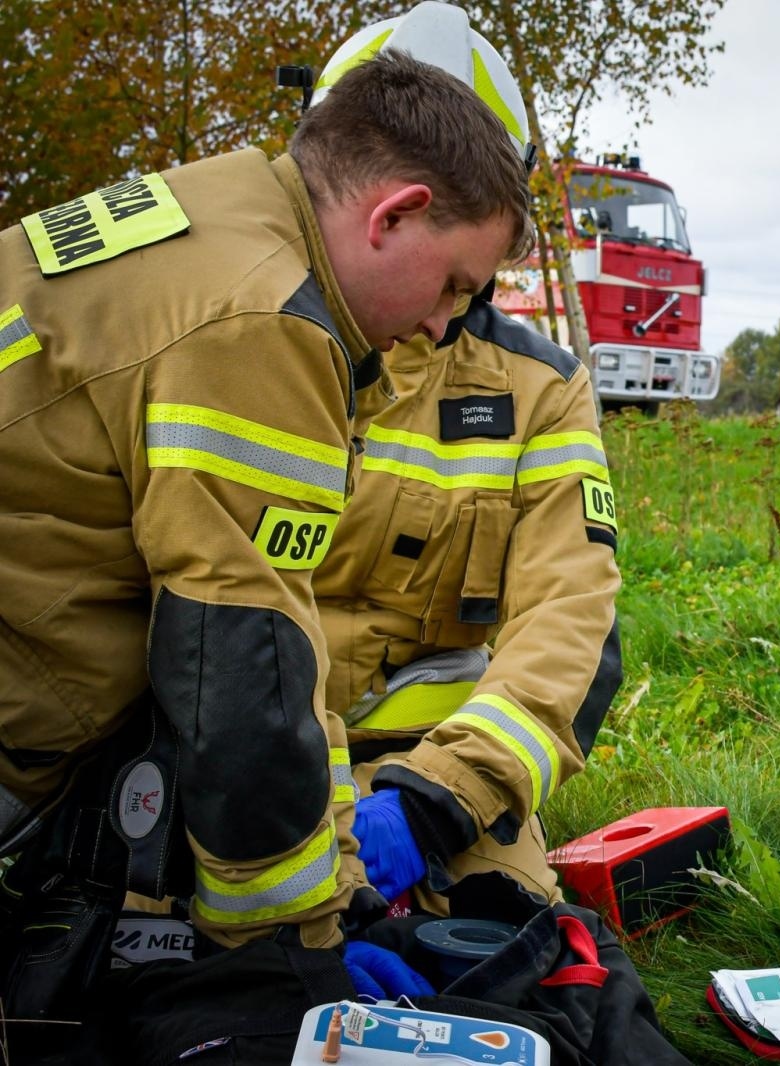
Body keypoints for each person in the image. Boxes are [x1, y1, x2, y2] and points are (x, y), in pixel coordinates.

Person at [0, 13, 532, 1009]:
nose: (442, 323)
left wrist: (339, 879)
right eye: (454, 283)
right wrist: (298, 945)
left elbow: (277, 632)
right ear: (395, 214)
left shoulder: (221, 206)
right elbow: (236, 668)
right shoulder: (270, 320)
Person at [319, 287, 620, 912]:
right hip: (243, 755)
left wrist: (437, 802)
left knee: (505, 932)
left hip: (421, 765)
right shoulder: (256, 335)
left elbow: (570, 617)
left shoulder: (540, 386)